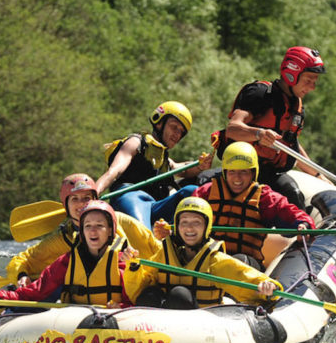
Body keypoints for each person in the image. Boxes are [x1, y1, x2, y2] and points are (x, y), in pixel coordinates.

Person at [214, 46, 328, 208]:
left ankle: (302, 232)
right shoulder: (261, 94)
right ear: (291, 75)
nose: (312, 87)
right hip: (239, 171)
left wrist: (319, 175)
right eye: (308, 80)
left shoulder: (297, 108)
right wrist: (259, 134)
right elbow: (233, 128)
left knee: (295, 197)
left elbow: (292, 148)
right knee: (203, 181)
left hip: (270, 175)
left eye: (315, 82)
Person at [124, 197, 281, 310]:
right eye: (184, 222)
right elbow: (138, 290)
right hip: (162, 329)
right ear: (177, 226)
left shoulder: (215, 260)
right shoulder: (163, 254)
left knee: (180, 295)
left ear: (206, 227)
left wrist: (268, 289)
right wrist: (133, 269)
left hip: (201, 329)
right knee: (149, 295)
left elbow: (244, 278)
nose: (189, 228)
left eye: (196, 223)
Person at [6, 173, 159, 288]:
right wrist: (22, 275)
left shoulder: (123, 222)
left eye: (87, 198)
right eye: (75, 199)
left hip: (128, 294)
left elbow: (157, 249)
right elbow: (22, 260)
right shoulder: (63, 241)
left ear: (95, 200)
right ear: (66, 205)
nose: (82, 204)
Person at [0, 201, 136, 308]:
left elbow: (136, 298)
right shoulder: (68, 261)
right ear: (82, 231)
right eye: (88, 226)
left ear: (110, 231)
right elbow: (36, 291)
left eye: (99, 225)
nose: (93, 231)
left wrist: (122, 307)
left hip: (113, 318)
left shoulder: (123, 260)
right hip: (75, 319)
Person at [190, 141, 315, 271]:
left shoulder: (264, 198)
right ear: (225, 173)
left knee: (237, 261)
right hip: (209, 260)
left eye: (244, 172)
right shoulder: (205, 193)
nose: (237, 178)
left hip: (247, 265)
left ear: (253, 173)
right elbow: (184, 220)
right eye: (232, 171)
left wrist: (304, 225)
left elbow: (294, 215)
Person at [94, 101, 213, 228]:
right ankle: (147, 239)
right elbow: (114, 171)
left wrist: (200, 166)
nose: (177, 134)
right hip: (129, 197)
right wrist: (93, 193)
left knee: (192, 192)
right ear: (159, 123)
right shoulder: (136, 143)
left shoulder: (163, 159)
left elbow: (181, 170)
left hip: (155, 206)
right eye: (174, 127)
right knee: (144, 234)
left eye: (181, 132)